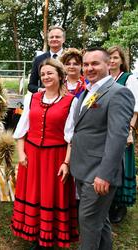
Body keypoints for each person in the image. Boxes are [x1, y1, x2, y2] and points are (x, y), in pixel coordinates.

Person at [70, 47, 135, 249]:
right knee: (100, 222)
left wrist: (104, 175)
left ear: (109, 64)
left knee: (88, 225)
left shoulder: (118, 93)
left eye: (95, 63)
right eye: (86, 64)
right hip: (83, 169)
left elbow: (117, 138)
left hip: (98, 174)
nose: (89, 68)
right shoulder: (91, 91)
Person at [11, 58, 79, 249]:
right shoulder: (31, 98)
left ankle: (48, 237)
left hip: (55, 157)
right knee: (34, 194)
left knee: (50, 196)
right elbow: (21, 130)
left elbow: (71, 137)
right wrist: (21, 155)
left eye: (50, 73)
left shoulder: (71, 101)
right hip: (31, 156)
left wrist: (67, 163)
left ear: (60, 75)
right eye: (43, 74)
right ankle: (33, 232)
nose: (46, 77)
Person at [108, 45, 138, 223]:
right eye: (109, 57)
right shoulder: (103, 78)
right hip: (107, 129)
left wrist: (129, 131)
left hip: (123, 129)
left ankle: (121, 205)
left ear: (121, 61)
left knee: (122, 166)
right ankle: (109, 203)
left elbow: (135, 109)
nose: (112, 61)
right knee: (110, 165)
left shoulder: (129, 78)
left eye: (115, 58)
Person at [28, 26, 65, 93]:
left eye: (57, 37)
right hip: (46, 99)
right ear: (48, 40)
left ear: (63, 39)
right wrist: (40, 90)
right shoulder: (39, 60)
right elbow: (31, 85)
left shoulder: (70, 58)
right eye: (51, 37)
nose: (54, 39)